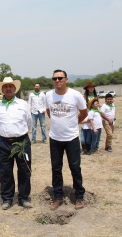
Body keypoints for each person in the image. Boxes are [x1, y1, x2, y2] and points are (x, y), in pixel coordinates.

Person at [45, 69, 87, 210]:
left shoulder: (75, 95)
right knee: (56, 168)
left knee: (75, 167)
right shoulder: (48, 95)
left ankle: (79, 196)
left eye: (60, 78)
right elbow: (49, 112)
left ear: (66, 79)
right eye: (55, 78)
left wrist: (74, 123)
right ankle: (58, 197)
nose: (57, 80)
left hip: (72, 138)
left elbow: (84, 112)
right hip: (55, 138)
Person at [0, 77, 32, 210]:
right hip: (3, 143)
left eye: (11, 86)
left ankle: (24, 197)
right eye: (5, 86)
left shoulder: (23, 104)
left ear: (15, 89)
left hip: (22, 142)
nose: (8, 88)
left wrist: (19, 134)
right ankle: (7, 198)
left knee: (24, 170)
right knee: (5, 172)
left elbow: (29, 122)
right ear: (2, 89)